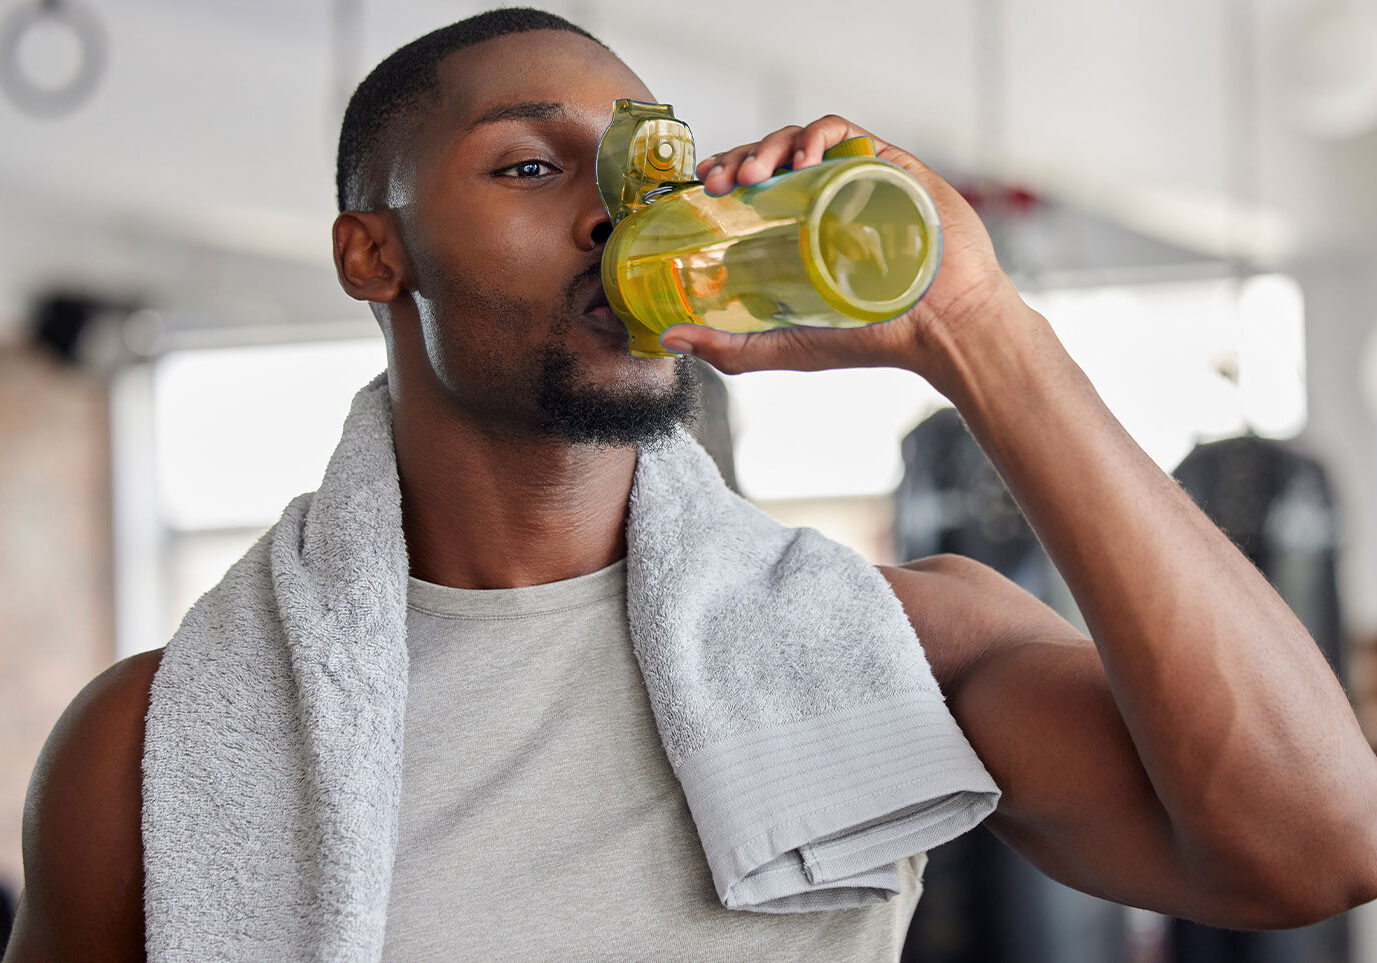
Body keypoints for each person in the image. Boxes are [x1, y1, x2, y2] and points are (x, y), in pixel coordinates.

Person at [6, 8, 1377, 961]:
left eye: (641, 169)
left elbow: (1315, 851)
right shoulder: (160, 740)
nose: (616, 216)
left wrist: (977, 335)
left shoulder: (890, 649)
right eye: (531, 165)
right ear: (374, 255)